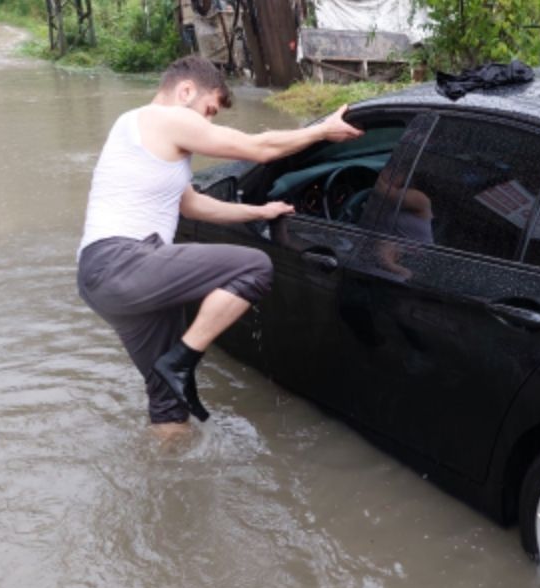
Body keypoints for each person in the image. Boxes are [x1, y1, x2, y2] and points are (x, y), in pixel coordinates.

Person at [76, 56, 363, 443]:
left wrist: (261, 210)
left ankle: (170, 488)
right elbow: (256, 147)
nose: (207, 123)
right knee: (254, 267)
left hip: (102, 278)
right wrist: (321, 131)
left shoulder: (140, 132)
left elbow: (193, 206)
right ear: (186, 91)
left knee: (168, 401)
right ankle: (182, 359)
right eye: (209, 110)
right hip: (125, 261)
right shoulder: (164, 118)